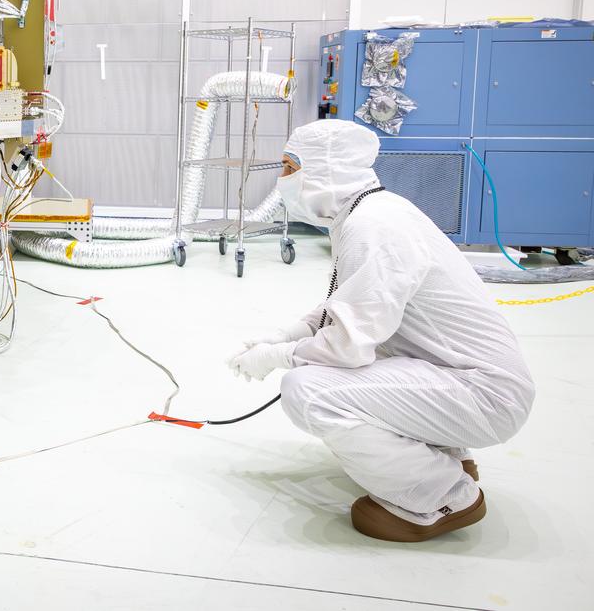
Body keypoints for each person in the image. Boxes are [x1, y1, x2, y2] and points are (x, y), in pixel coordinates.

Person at [228, 119, 535, 542]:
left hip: (483, 394)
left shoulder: (374, 228)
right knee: (362, 361)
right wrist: (286, 334)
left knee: (309, 390)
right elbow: (351, 301)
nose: (283, 181)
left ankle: (444, 498)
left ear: (325, 168)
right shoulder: (370, 211)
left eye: (289, 167)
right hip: (460, 377)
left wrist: (279, 357)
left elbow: (348, 346)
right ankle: (443, 457)